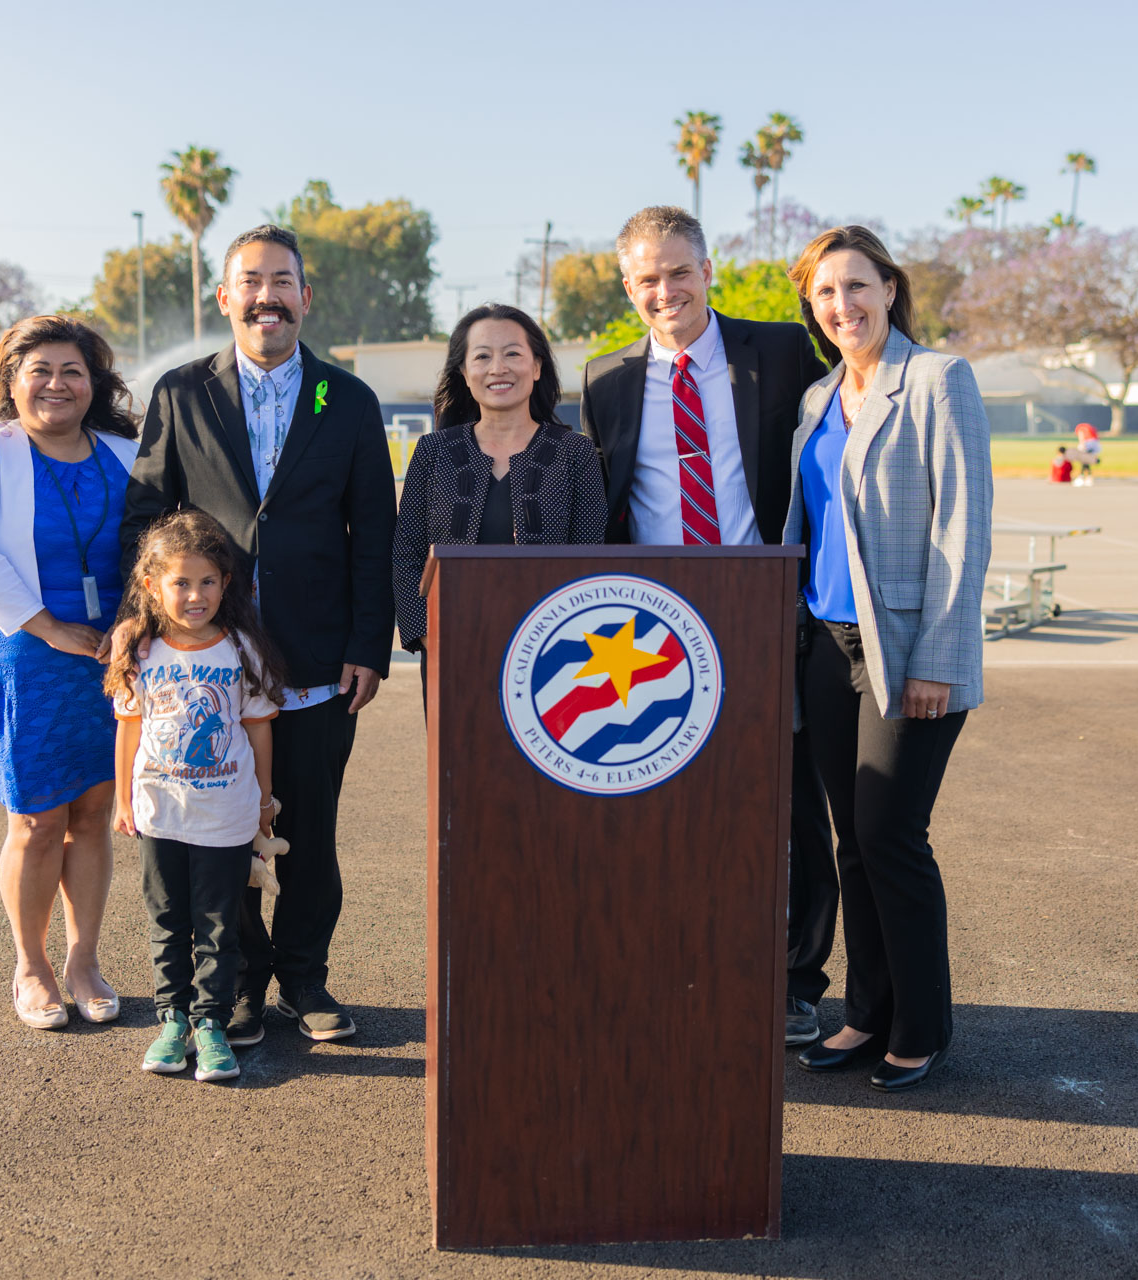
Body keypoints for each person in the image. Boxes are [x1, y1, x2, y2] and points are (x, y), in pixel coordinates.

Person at [121, 224, 396, 1047]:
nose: (266, 296)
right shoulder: (180, 392)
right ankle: (236, 984)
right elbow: (146, 514)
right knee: (217, 828)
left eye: (282, 281)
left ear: (305, 297)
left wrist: (366, 646)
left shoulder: (347, 400)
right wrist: (144, 630)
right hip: (205, 660)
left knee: (307, 831)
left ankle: (305, 979)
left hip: (315, 662)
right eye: (250, 281)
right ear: (224, 296)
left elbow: (373, 531)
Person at [581, 205, 836, 1049]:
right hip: (659, 626)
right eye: (647, 278)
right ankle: (681, 960)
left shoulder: (782, 351)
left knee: (790, 805)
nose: (666, 291)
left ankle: (798, 980)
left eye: (679, 271)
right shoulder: (605, 378)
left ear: (707, 269)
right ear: (628, 288)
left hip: (769, 608)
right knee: (673, 802)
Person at [783, 225, 991, 1093]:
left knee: (892, 836)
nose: (843, 306)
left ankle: (922, 1025)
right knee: (850, 843)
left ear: (890, 288)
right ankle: (865, 1014)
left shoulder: (939, 381)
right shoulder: (816, 398)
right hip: (823, 648)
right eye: (826, 294)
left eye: (856, 287)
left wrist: (938, 658)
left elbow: (962, 530)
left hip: (907, 647)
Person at [0, 315, 140, 1030]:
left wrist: (132, 623)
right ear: (12, 381)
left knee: (92, 814)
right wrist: (49, 627)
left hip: (111, 652)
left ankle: (84, 959)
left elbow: (153, 547)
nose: (57, 384)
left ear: (95, 383)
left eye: (73, 371)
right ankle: (32, 965)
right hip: (23, 647)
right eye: (40, 371)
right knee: (37, 816)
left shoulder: (126, 452)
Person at [109, 509, 286, 1083]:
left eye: (207, 581)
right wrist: (122, 800)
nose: (195, 595)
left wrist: (263, 799)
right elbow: (129, 728)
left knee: (217, 923)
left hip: (225, 813)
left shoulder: (241, 649)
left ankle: (210, 1024)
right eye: (181, 582)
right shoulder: (138, 649)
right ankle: (172, 1021)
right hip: (159, 811)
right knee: (167, 919)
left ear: (226, 584)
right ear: (151, 586)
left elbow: (258, 726)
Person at [394, 303, 606, 695]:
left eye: (512, 354)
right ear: (463, 372)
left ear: (537, 366)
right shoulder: (432, 451)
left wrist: (560, 643)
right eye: (482, 356)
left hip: (556, 660)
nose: (498, 368)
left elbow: (589, 560)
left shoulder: (576, 454)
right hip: (450, 654)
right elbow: (406, 556)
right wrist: (429, 638)